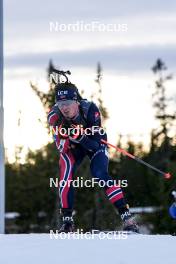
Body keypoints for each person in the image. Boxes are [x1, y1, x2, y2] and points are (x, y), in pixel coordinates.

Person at [47, 82, 139, 233]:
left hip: (93, 141)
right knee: (65, 175)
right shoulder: (55, 116)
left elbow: (94, 146)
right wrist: (65, 137)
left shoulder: (90, 110)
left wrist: (79, 136)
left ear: (76, 101)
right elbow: (61, 148)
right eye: (60, 103)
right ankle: (67, 222)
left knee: (100, 173)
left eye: (68, 103)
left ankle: (128, 219)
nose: (64, 108)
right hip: (73, 147)